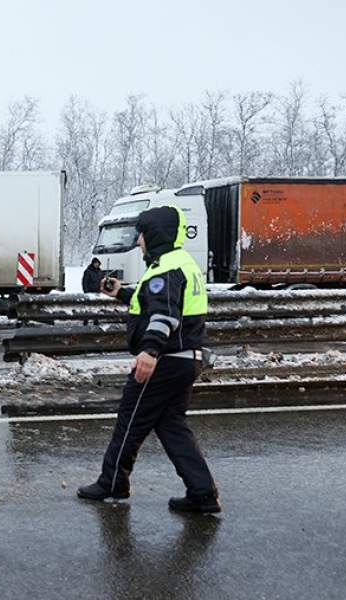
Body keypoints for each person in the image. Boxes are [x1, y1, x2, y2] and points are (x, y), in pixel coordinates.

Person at [77, 206, 221, 513]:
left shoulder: (165, 270)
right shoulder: (180, 265)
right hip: (185, 359)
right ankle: (202, 492)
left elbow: (164, 314)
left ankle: (113, 482)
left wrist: (150, 351)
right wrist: (120, 293)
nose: (139, 241)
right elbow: (158, 302)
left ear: (154, 234)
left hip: (165, 361)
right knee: (171, 426)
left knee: (130, 420)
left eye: (141, 234)